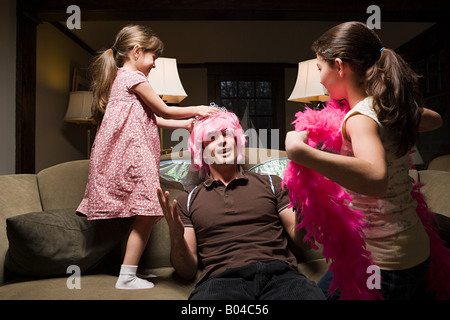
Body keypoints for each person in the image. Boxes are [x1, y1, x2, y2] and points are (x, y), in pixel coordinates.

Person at [285, 21, 443, 299]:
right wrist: (398, 111)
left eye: (320, 68)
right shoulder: (384, 108)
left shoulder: (359, 117)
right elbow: (434, 120)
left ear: (339, 66)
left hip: (384, 264)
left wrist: (303, 154)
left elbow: (375, 178)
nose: (320, 79)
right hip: (413, 251)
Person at [77, 25, 218, 290]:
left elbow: (153, 118)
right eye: (153, 57)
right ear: (136, 51)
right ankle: (127, 276)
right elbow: (163, 108)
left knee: (143, 212)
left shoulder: (122, 78)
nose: (154, 64)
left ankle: (131, 271)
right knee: (147, 212)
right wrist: (198, 108)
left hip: (130, 154)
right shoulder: (132, 78)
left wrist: (187, 124)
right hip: (132, 156)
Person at [157, 109, 326, 300]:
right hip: (221, 282)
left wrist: (305, 208)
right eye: (212, 138)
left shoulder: (271, 183)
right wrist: (176, 237)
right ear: (201, 151)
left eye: (227, 135)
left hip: (281, 276)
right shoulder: (187, 199)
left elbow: (303, 241)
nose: (222, 141)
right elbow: (186, 271)